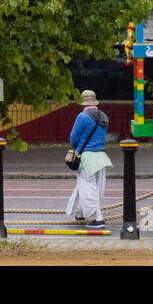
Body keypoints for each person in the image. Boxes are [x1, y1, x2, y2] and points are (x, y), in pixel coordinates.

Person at [65, 90, 113, 225]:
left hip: (87, 157)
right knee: (91, 186)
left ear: (83, 103)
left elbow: (73, 138)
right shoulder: (104, 116)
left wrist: (79, 145)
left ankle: (96, 219)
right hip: (101, 156)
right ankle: (80, 213)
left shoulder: (82, 116)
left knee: (88, 187)